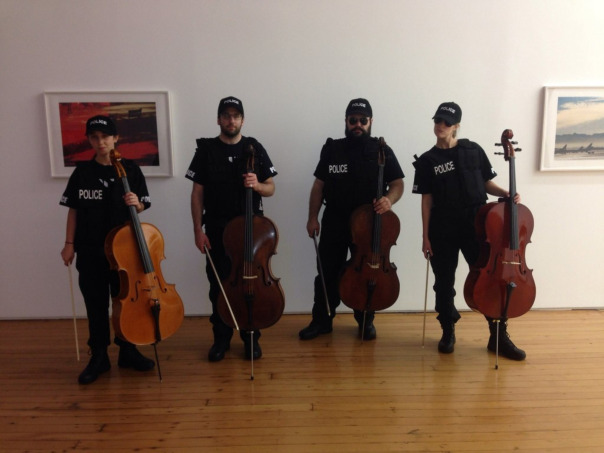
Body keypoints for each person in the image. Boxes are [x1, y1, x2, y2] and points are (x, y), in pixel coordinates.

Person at [411, 102, 526, 360]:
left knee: (489, 278)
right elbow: (427, 201)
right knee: (444, 282)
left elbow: (486, 183)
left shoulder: (473, 150)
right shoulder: (428, 160)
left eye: (446, 122)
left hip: (476, 224)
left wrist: (507, 193)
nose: (440, 125)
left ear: (456, 126)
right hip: (442, 226)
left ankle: (498, 335)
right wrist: (425, 236)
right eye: (437, 120)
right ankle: (447, 330)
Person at [60, 115, 156, 385]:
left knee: (125, 303)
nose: (100, 142)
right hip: (90, 250)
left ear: (115, 138)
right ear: (90, 140)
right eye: (95, 137)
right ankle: (99, 356)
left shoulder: (130, 170)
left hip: (125, 252)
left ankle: (128, 350)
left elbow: (142, 206)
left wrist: (136, 203)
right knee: (96, 304)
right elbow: (73, 211)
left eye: (105, 137)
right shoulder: (82, 173)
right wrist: (69, 244)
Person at [299, 98, 404, 341]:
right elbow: (319, 186)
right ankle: (322, 321)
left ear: (371, 121)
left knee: (367, 272)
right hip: (335, 220)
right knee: (326, 272)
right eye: (353, 120)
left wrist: (389, 200)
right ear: (346, 121)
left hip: (369, 225)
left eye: (363, 120)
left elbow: (398, 184)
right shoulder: (332, 149)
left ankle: (366, 320)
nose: (358, 124)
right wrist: (312, 217)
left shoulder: (382, 150)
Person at [187, 96, 278, 362]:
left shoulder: (255, 147)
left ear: (242, 120)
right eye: (226, 115)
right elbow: (197, 193)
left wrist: (257, 185)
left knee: (252, 285)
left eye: (236, 116)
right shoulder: (206, 150)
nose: (231, 120)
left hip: (251, 231)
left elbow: (271, 188)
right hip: (217, 229)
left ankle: (251, 337)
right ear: (218, 119)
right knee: (218, 286)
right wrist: (197, 230)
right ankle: (221, 338)